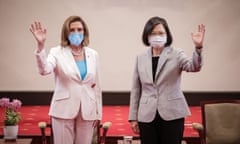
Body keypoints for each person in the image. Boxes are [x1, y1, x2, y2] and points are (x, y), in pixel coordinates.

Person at [128, 16, 205, 144]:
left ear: (167, 35)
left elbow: (194, 66)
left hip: (172, 113)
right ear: (147, 36)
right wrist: (133, 118)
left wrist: (198, 48)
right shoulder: (140, 58)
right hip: (146, 115)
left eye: (161, 33)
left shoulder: (176, 53)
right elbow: (136, 89)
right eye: (153, 33)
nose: (157, 36)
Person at [30, 16, 102, 144]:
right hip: (63, 109)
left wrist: (98, 113)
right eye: (72, 30)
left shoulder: (93, 54)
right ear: (66, 33)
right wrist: (40, 46)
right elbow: (44, 70)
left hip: (88, 109)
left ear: (84, 32)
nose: (76, 33)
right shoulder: (57, 52)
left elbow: (96, 85)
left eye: (79, 29)